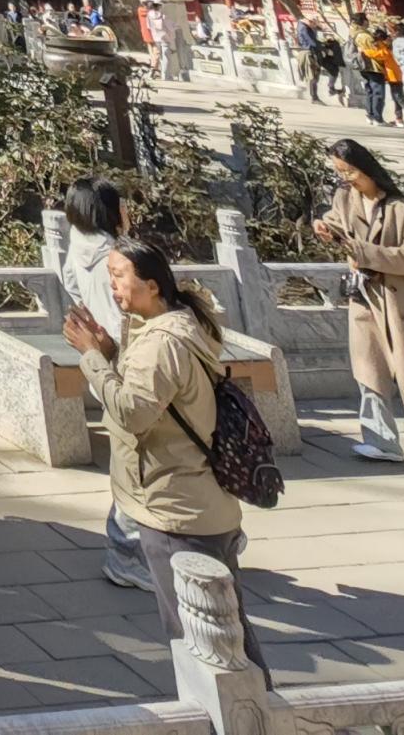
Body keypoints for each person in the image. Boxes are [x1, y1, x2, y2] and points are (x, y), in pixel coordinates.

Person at [60, 239, 272, 670]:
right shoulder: (180, 324)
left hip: (175, 508)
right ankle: (255, 701)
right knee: (227, 629)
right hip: (199, 501)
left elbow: (132, 413)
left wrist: (92, 359)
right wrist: (111, 353)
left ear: (153, 285)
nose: (112, 285)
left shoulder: (161, 343)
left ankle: (233, 707)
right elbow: (159, 391)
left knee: (200, 640)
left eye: (119, 275)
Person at [315, 140, 404, 476]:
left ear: (366, 168)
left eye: (350, 171)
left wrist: (363, 252)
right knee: (369, 370)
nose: (345, 178)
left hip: (403, 299)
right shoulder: (345, 198)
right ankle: (381, 440)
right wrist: (324, 227)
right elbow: (336, 223)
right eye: (340, 172)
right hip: (365, 295)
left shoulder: (401, 208)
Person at [56, 179, 155, 588]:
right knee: (136, 465)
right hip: (129, 365)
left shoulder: (78, 247)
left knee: (133, 459)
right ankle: (126, 553)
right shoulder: (115, 257)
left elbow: (71, 286)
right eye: (121, 205)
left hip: (102, 363)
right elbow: (128, 316)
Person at [357, 29, 396, 127]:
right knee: (378, 94)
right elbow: (383, 54)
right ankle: (377, 118)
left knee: (369, 92)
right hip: (375, 69)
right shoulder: (378, 44)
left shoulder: (359, 37)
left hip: (364, 68)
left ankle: (370, 115)